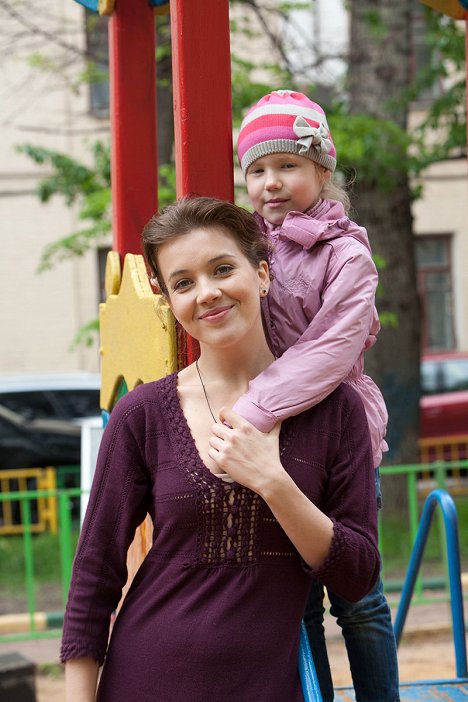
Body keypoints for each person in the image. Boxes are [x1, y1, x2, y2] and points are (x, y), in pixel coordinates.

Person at [60, 196, 380, 702]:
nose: (206, 293)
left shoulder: (337, 412)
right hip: (144, 680)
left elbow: (358, 572)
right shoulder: (141, 415)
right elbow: (94, 575)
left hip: (269, 688)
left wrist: (273, 482)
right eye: (183, 283)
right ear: (169, 302)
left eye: (222, 269)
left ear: (263, 274)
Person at [233, 89, 399, 702]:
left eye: (288, 166)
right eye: (257, 170)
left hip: (341, 436)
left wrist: (255, 405)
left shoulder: (346, 254)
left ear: (322, 172)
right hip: (278, 444)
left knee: (357, 599)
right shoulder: (246, 249)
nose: (271, 183)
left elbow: (331, 348)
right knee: (296, 601)